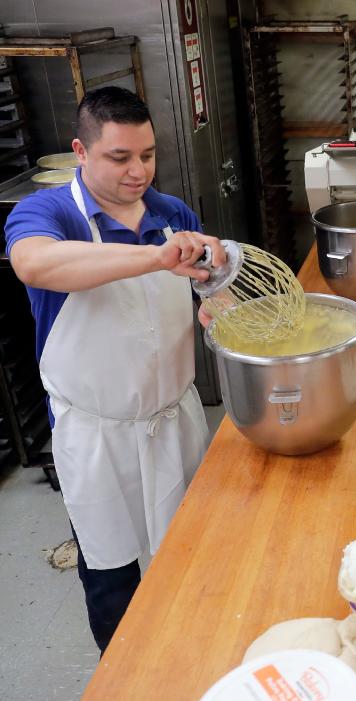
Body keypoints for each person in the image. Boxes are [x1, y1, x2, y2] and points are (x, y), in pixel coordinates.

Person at [4, 86, 226, 654]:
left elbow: (200, 300)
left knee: (190, 556)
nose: (138, 171)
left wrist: (217, 302)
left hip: (173, 421)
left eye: (148, 155)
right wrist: (154, 257)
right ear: (81, 150)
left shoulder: (170, 213)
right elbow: (35, 264)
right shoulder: (48, 212)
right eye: (120, 157)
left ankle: (190, 662)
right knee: (112, 577)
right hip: (97, 435)